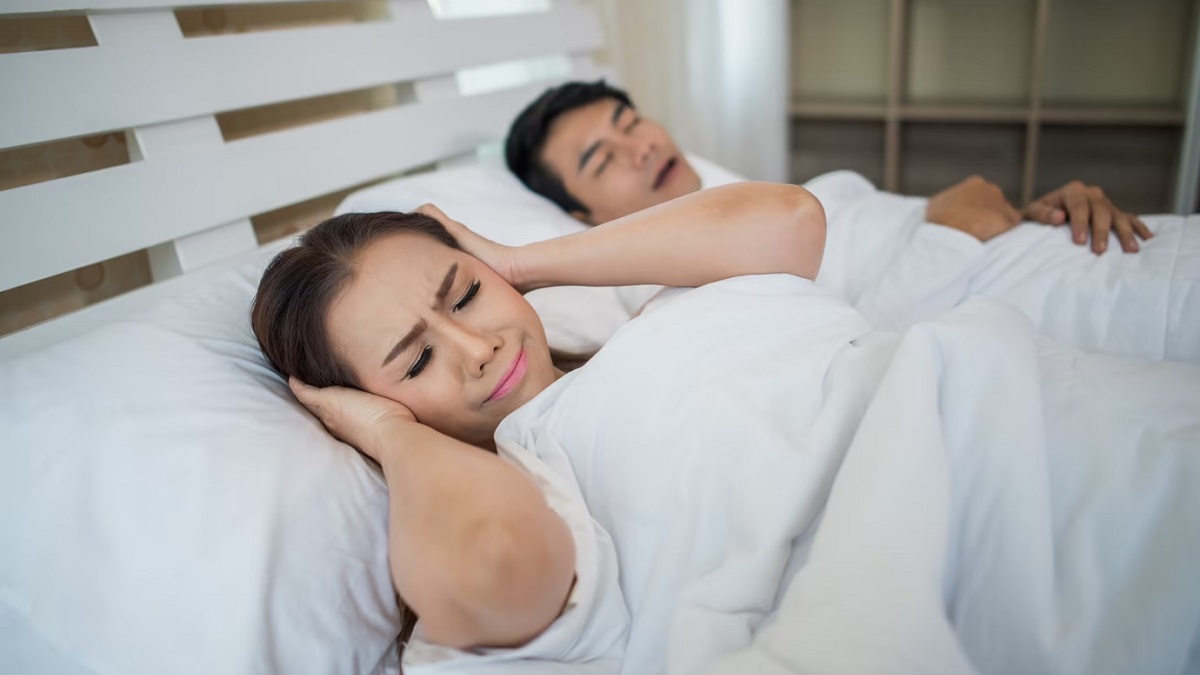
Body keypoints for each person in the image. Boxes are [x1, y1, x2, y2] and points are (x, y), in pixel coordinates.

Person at [251, 182, 1200, 673]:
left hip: (1059, 416)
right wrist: (387, 433)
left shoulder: (661, 309)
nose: (475, 346)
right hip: (991, 543)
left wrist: (519, 260)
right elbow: (494, 564)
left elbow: (791, 218)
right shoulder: (530, 487)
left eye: (464, 293)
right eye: (414, 359)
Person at [504, 80, 1200, 362]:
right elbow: (845, 362)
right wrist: (953, 233)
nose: (641, 147)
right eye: (604, 159)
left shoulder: (774, 197)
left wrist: (1029, 214)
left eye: (631, 122)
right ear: (579, 212)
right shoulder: (666, 293)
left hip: (1101, 248)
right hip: (1073, 308)